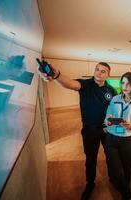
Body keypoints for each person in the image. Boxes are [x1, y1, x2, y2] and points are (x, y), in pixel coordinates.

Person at [38, 61, 117, 200]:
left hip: (107, 129)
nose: (99, 72)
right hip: (90, 130)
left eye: (103, 71)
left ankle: (113, 178)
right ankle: (90, 183)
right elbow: (71, 83)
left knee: (110, 155)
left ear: (108, 75)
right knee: (91, 158)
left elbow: (115, 110)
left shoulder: (112, 90)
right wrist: (56, 75)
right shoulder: (85, 85)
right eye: (97, 69)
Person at [104, 72, 131, 200]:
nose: (125, 86)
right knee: (117, 170)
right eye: (123, 83)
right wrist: (108, 121)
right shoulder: (115, 99)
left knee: (127, 168)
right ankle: (126, 194)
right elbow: (106, 118)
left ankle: (124, 189)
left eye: (128, 83)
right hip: (112, 138)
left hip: (128, 140)